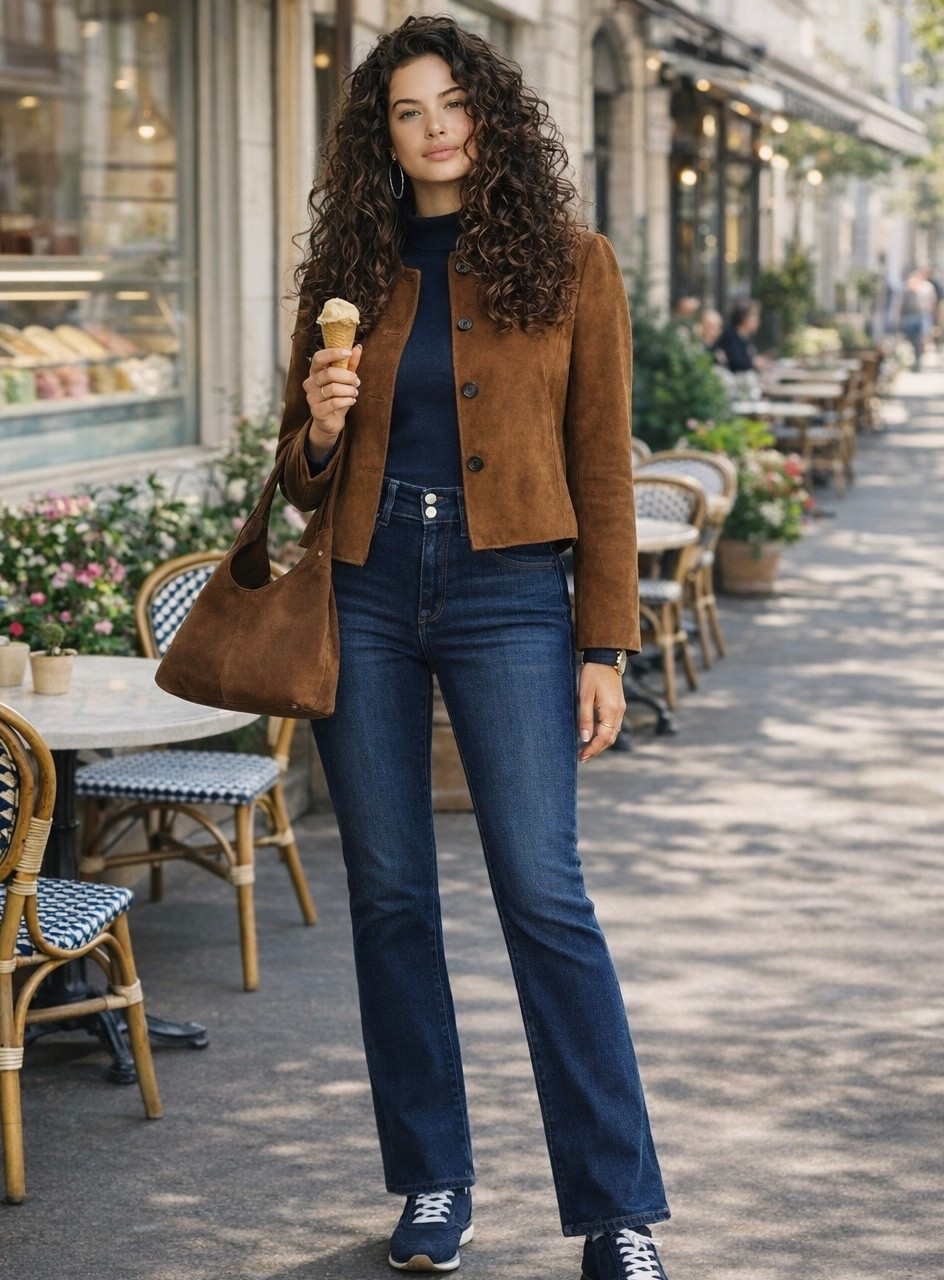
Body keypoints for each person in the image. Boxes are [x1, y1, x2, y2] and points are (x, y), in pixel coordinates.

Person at [276, 17, 670, 1279]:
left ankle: (617, 1207)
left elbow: (603, 466)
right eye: (406, 109)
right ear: (378, 135)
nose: (435, 125)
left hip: (511, 592)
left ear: (490, 113)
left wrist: (603, 642)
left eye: (452, 101)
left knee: (544, 894)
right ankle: (433, 1178)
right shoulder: (348, 265)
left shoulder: (571, 262)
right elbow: (297, 483)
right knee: (389, 896)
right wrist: (322, 428)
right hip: (368, 586)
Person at [900, 267, 936, 370]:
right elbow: (903, 301)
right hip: (911, 314)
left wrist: (933, 315)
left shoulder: (928, 287)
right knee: (912, 337)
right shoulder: (911, 284)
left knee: (922, 337)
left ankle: (918, 357)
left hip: (924, 315)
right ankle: (916, 355)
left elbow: (932, 302)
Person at [713, 300, 764, 373]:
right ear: (744, 318)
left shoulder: (744, 337)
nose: (757, 320)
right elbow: (736, 364)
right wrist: (754, 363)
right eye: (754, 316)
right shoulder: (729, 336)